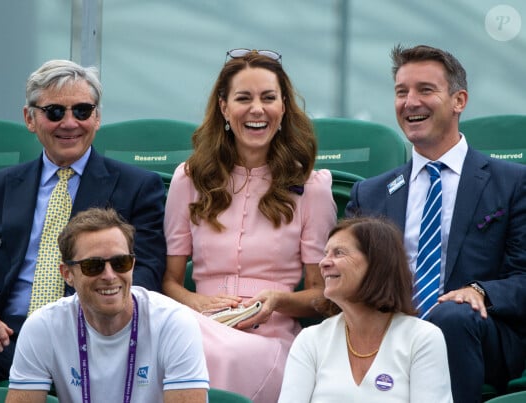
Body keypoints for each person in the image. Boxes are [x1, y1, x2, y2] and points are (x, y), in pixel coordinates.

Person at [0, 59, 167, 393]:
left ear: (97, 117)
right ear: (30, 119)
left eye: (81, 111)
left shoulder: (137, 186)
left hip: (92, 332)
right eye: (54, 112)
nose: (69, 123)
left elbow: (145, 272)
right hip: (7, 335)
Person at [346, 44, 526, 402]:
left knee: (452, 317)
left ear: (459, 100)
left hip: (478, 333)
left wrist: (480, 292)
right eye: (402, 92)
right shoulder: (370, 193)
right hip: (388, 334)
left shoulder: (513, 183)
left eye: (425, 90)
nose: (410, 102)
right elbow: (350, 276)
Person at [163, 48, 337, 402]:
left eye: (268, 98)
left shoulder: (312, 187)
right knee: (176, 341)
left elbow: (322, 296)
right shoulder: (189, 179)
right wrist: (195, 302)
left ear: (283, 107)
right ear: (225, 108)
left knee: (220, 354)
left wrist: (277, 301)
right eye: (244, 98)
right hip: (199, 324)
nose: (257, 109)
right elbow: (168, 281)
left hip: (269, 339)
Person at [5, 207, 208, 403]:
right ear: (67, 274)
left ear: (133, 264)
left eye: (121, 263)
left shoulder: (173, 322)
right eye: (93, 266)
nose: (110, 276)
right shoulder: (43, 326)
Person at [278, 217, 453, 403]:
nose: (323, 263)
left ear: (377, 264)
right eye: (325, 253)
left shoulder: (422, 338)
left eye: (338, 253)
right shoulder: (310, 340)